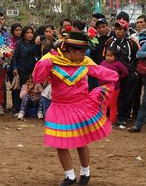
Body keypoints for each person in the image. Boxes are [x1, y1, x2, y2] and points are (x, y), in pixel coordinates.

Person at [32, 31, 118, 186]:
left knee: (81, 141)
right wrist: (45, 63)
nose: (84, 55)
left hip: (80, 106)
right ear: (70, 50)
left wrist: (111, 80)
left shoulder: (85, 62)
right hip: (59, 107)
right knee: (60, 144)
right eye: (81, 51)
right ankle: (70, 176)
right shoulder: (51, 61)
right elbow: (37, 78)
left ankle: (86, 172)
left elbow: (105, 73)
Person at [104, 20, 139, 126]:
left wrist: (135, 71)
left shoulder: (132, 43)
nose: (118, 31)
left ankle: (123, 117)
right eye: (116, 29)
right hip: (112, 76)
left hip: (128, 74)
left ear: (126, 30)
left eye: (121, 29)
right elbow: (104, 57)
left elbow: (137, 58)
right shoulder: (110, 42)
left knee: (127, 96)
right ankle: (110, 117)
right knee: (112, 96)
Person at [12, 26, 39, 113]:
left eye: (31, 33)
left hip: (32, 71)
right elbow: (14, 57)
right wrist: (14, 67)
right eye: (27, 33)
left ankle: (27, 109)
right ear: (24, 34)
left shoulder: (35, 44)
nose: (30, 35)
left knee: (31, 89)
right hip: (21, 70)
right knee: (19, 90)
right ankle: (17, 109)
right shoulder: (19, 43)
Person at [100, 48, 128, 123]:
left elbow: (125, 72)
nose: (108, 57)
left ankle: (111, 121)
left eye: (111, 56)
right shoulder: (102, 63)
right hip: (103, 87)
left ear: (115, 57)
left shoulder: (118, 64)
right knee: (103, 104)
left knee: (112, 105)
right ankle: (103, 120)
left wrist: (117, 77)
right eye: (107, 55)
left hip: (114, 88)